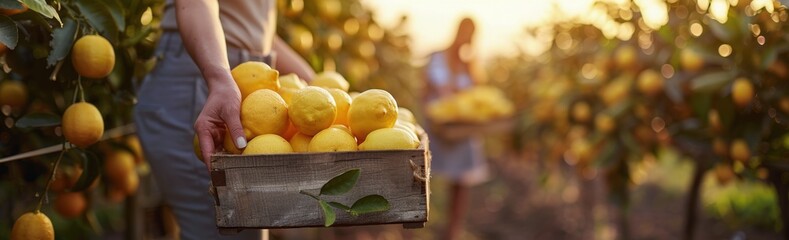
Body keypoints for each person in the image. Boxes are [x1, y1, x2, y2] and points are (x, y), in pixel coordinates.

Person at [133, 0, 314, 239]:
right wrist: (218, 77)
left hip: (240, 77)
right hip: (202, 74)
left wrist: (315, 83)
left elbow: (252, 27)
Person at [422, 17, 488, 240]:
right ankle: (418, 225)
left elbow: (476, 96)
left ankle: (453, 231)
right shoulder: (439, 58)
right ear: (458, 32)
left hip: (463, 132)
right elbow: (434, 90)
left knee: (462, 182)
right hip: (441, 129)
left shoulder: (471, 65)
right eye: (465, 33)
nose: (467, 39)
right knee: (424, 174)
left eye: (471, 35)